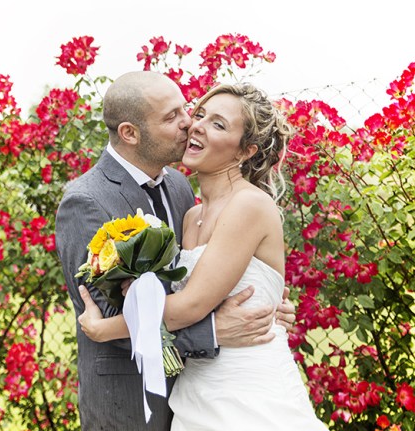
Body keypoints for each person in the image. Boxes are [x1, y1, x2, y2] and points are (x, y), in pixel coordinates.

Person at [77, 82, 327, 430]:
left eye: (218, 124)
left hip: (248, 394)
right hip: (194, 395)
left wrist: (102, 330)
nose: (196, 125)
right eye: (201, 115)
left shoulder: (249, 205)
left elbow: (191, 306)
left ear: (245, 151)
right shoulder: (190, 213)